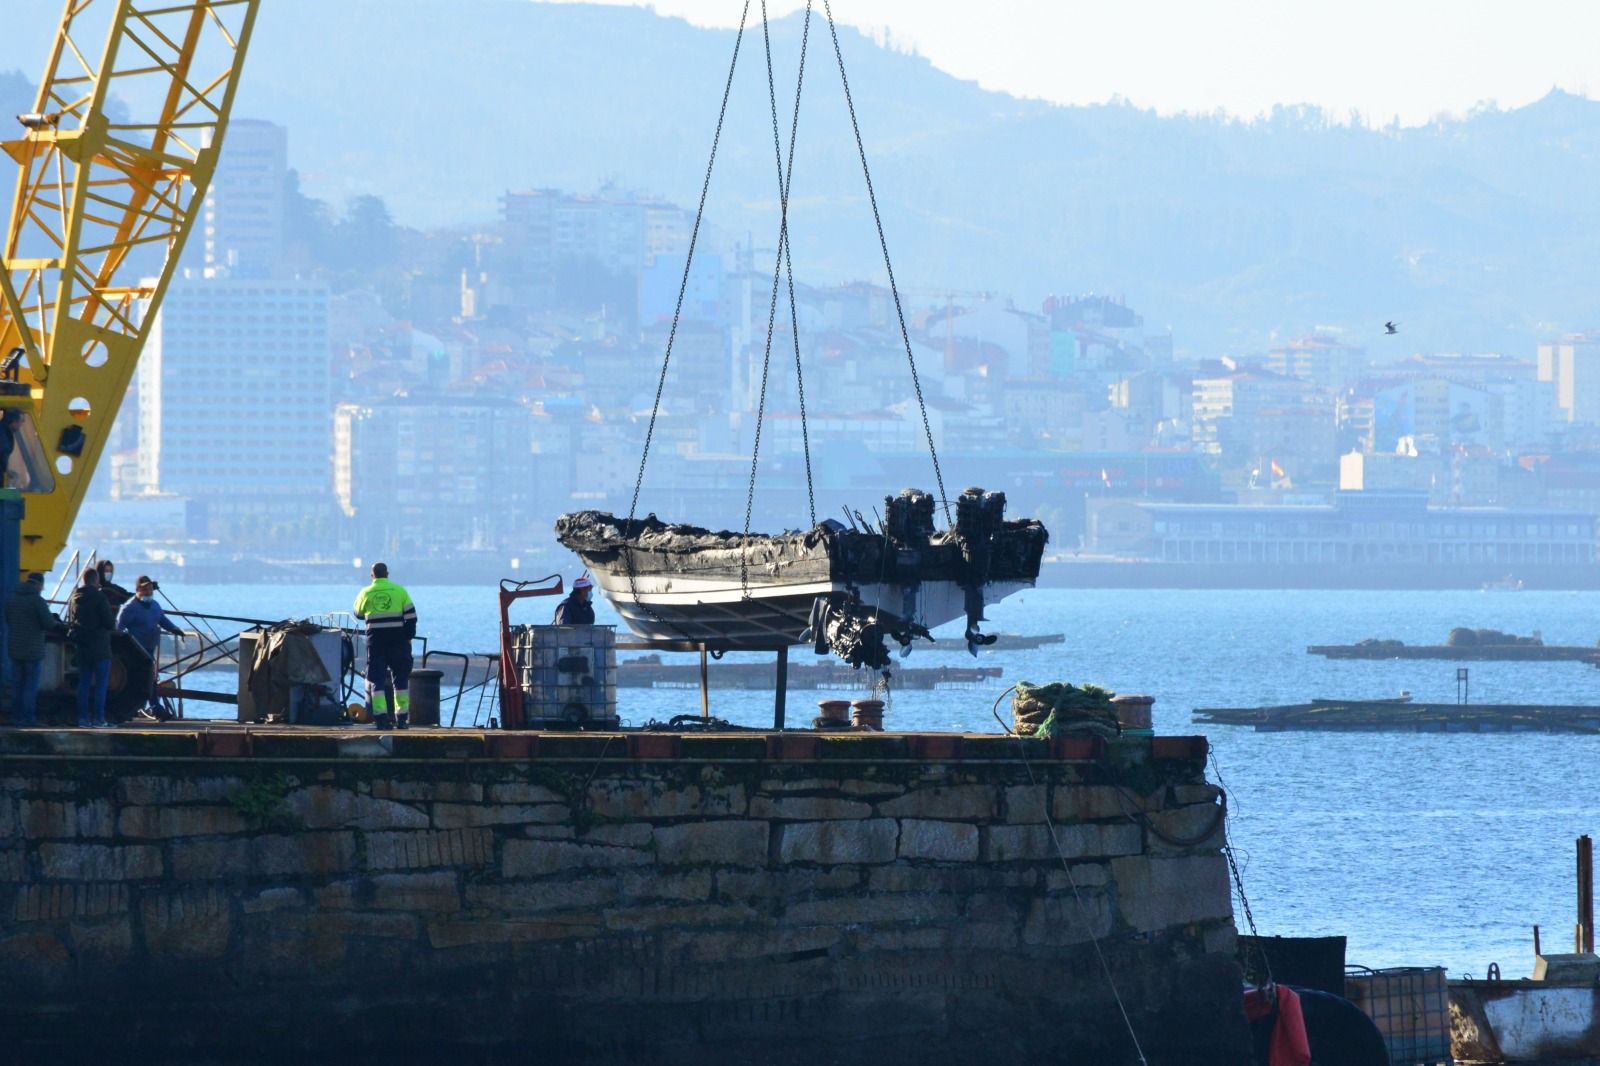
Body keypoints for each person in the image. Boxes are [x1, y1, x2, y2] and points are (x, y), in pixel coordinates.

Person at [352, 562, 417, 730]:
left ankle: (381, 719)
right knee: (401, 679)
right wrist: (408, 637)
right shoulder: (400, 590)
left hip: (376, 642)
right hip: (398, 641)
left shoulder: (365, 592)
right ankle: (402, 719)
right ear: (387, 574)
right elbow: (411, 617)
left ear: (372, 575)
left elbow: (358, 613)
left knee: (376, 679)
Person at [116, 577, 184, 718]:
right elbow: (118, 629)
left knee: (149, 678)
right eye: (145, 589)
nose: (148, 592)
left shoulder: (155, 605)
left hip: (150, 647)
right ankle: (154, 708)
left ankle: (152, 708)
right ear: (138, 590)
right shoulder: (129, 608)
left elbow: (162, 620)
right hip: (136, 651)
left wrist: (174, 629)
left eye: (150, 589)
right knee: (145, 679)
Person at [6, 572, 65, 726]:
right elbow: (48, 624)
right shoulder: (37, 601)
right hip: (32, 650)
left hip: (15, 649)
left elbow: (8, 619)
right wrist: (58, 624)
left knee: (17, 685)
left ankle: (15, 717)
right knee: (30, 687)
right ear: (38, 584)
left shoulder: (12, 599)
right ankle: (28, 719)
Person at [66, 566, 116, 727]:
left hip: (82, 646)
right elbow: (109, 622)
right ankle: (99, 719)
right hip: (100, 647)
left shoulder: (75, 597)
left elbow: (71, 621)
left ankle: (82, 719)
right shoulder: (100, 597)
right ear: (95, 580)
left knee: (84, 684)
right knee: (101, 685)